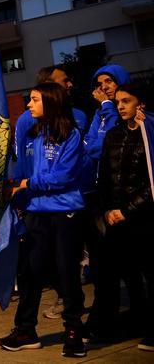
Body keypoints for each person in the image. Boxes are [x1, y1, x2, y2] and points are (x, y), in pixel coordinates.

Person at [0, 82, 87, 357]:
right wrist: (14, 187)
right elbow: (25, 170)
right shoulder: (35, 134)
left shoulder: (70, 134)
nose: (28, 105)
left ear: (50, 102)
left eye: (34, 100)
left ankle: (73, 333)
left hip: (64, 213)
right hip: (37, 212)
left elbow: (64, 176)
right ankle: (25, 330)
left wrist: (27, 184)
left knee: (66, 272)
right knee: (30, 273)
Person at [97, 84, 153, 351]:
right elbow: (106, 176)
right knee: (112, 273)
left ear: (140, 104)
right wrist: (107, 209)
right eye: (117, 101)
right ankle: (110, 326)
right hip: (114, 217)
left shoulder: (149, 132)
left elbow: (151, 182)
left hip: (142, 218)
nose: (120, 106)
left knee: (147, 273)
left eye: (126, 101)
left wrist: (128, 210)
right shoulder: (113, 134)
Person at [82, 63, 131, 337]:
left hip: (121, 196)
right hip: (98, 194)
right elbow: (90, 147)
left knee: (126, 263)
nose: (104, 87)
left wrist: (109, 108)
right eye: (100, 82)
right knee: (102, 262)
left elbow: (105, 145)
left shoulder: (116, 111)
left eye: (109, 81)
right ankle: (103, 319)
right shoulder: (100, 113)